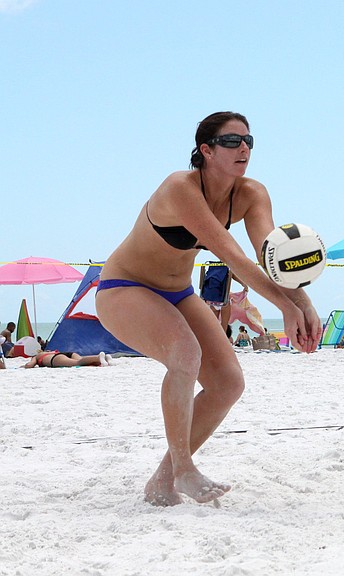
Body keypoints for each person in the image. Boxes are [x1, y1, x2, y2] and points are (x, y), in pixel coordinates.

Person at [95, 111, 321, 506]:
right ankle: (184, 469)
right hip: (124, 288)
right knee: (184, 353)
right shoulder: (180, 188)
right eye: (232, 141)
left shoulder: (251, 194)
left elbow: (271, 256)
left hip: (178, 292)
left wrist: (304, 304)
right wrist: (285, 307)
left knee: (229, 383)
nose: (243, 148)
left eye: (248, 141)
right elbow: (233, 256)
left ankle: (162, 481)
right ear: (206, 150)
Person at [23, 350, 112, 368]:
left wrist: (26, 365)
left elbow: (29, 365)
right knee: (82, 361)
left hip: (55, 358)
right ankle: (104, 358)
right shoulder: (50, 351)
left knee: (77, 363)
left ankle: (98, 357)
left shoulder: (37, 356)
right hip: (66, 353)